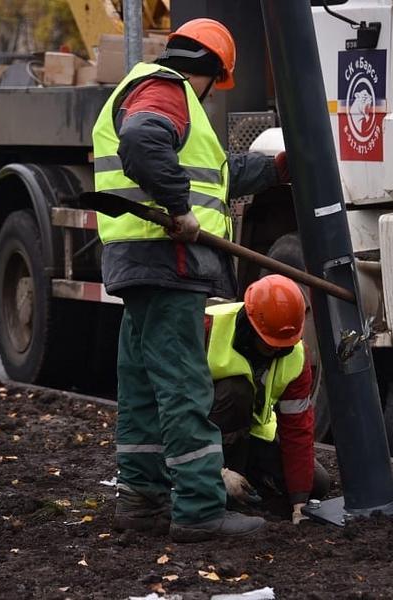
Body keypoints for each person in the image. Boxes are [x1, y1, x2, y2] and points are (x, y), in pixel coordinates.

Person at [91, 18, 288, 542]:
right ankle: (200, 509)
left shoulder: (145, 88)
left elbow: (214, 179)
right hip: (169, 264)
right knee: (183, 388)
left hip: (139, 265)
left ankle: (141, 502)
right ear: (208, 69)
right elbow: (142, 143)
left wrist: (274, 170)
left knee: (140, 389)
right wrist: (178, 208)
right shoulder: (167, 89)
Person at [205, 275, 330, 525]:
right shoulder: (208, 327)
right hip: (200, 438)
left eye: (283, 346)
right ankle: (214, 490)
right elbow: (176, 406)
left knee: (318, 482)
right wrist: (214, 470)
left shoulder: (296, 355)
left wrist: (299, 504)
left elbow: (297, 430)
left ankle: (247, 480)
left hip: (252, 437)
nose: (276, 351)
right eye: (270, 343)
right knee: (236, 391)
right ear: (252, 324)